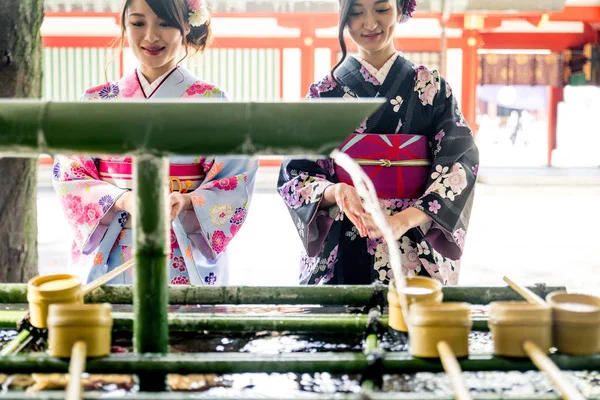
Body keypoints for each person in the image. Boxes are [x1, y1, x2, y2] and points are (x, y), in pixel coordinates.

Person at [53, 0, 258, 285]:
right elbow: (70, 174)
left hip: (181, 242)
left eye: (165, 23)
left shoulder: (212, 103)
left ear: (186, 26)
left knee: (182, 327)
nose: (151, 36)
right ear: (124, 25)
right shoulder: (96, 101)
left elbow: (235, 177)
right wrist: (123, 199)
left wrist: (187, 201)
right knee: (114, 325)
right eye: (138, 23)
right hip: (114, 243)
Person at [277, 0, 479, 285]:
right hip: (344, 239)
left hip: (413, 240)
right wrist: (336, 191)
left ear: (400, 10)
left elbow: (461, 164)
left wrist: (403, 220)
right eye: (357, 12)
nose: (369, 23)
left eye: (381, 9)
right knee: (338, 325)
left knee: (412, 324)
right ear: (344, 17)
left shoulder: (431, 89)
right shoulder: (324, 94)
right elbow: (295, 174)